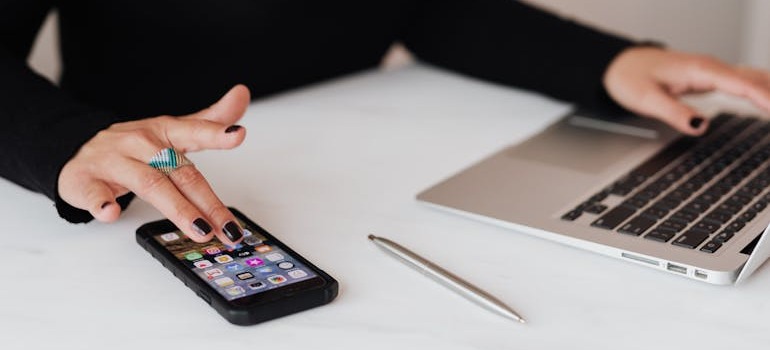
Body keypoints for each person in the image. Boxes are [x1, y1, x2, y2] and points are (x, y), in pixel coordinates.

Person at [2, 0, 770, 247]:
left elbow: (426, 8)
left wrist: (604, 64)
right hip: (137, 181)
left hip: (378, 158)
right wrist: (66, 140)